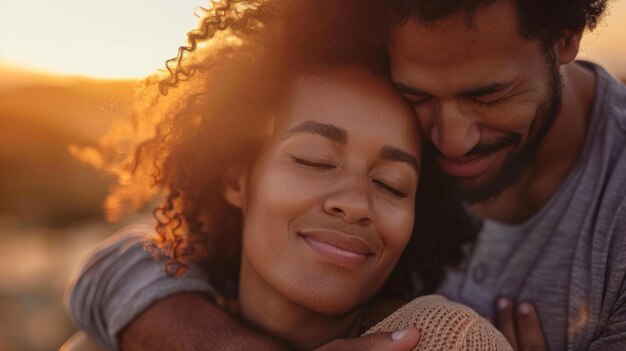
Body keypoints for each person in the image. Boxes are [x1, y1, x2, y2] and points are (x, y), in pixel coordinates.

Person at [68, 0, 626, 349]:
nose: (451, 142)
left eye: (489, 94)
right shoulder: (383, 111)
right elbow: (124, 262)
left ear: (565, 37)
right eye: (417, 95)